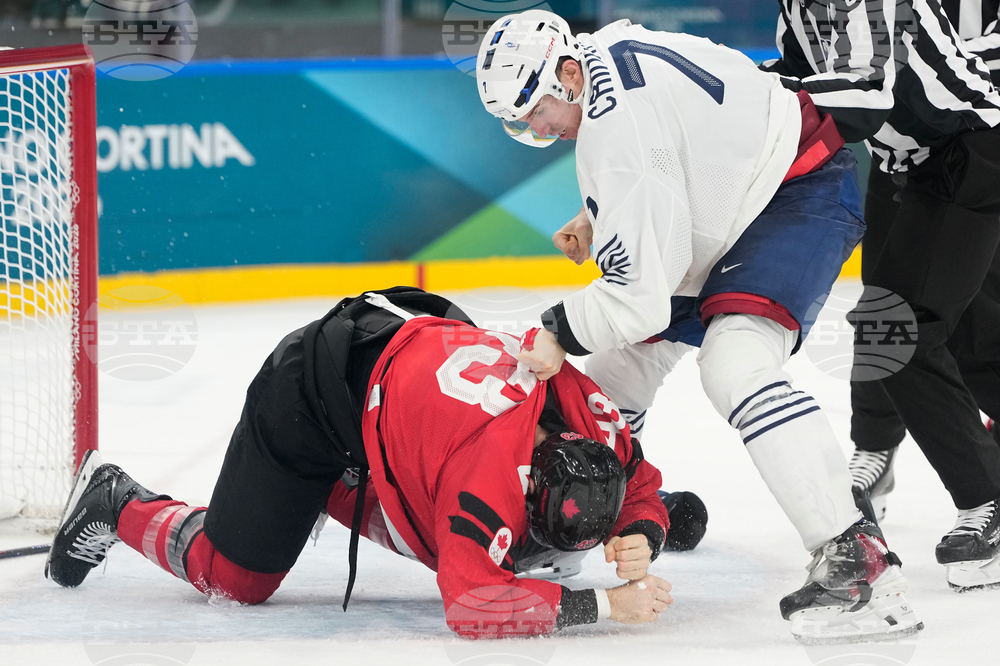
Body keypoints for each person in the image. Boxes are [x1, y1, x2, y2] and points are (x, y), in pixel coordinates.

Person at [475, 9, 923, 644]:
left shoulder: (613, 135)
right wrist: (598, 213)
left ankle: (855, 557)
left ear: (569, 72)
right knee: (609, 380)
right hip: (742, 197)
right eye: (521, 125)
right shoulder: (612, 44)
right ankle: (577, 524)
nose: (536, 127)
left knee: (736, 363)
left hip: (789, 197)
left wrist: (555, 330)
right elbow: (673, 142)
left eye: (534, 110)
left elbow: (638, 302)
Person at [44, 287, 678, 638]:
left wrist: (641, 529)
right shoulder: (485, 478)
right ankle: (115, 498)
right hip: (314, 394)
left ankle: (346, 486)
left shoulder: (595, 416)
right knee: (235, 580)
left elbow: (640, 481)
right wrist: (607, 608)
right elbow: (471, 603)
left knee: (524, 556)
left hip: (412, 347)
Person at [762, 0, 1000, 592]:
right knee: (952, 332)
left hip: (973, 148)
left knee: (901, 328)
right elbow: (791, 74)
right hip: (912, 165)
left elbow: (861, 96)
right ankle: (880, 449)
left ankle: (986, 501)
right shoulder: (797, 7)